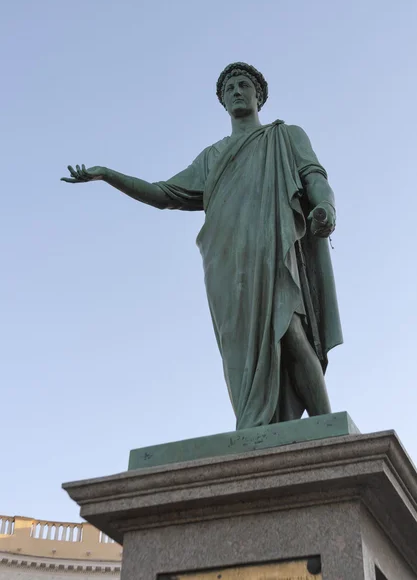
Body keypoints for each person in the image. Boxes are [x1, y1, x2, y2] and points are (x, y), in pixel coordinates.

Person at [62, 62, 343, 430]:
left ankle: (329, 431)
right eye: (229, 89)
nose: (237, 92)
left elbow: (313, 177)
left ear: (259, 95)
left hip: (274, 245)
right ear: (223, 102)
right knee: (239, 351)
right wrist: (108, 175)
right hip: (227, 263)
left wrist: (326, 206)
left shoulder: (285, 136)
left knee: (288, 327)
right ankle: (255, 424)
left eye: (244, 85)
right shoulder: (212, 158)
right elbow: (164, 193)